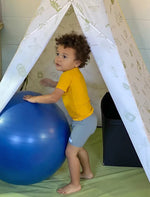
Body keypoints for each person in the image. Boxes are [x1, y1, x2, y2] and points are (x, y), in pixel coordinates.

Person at [23, 32, 97, 195]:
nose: (58, 58)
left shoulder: (68, 74)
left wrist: (35, 99)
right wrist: (52, 83)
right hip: (86, 120)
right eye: (58, 54)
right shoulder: (72, 74)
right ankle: (87, 173)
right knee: (79, 148)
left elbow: (54, 97)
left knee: (70, 152)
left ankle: (75, 184)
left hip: (84, 121)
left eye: (64, 56)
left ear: (77, 62)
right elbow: (65, 87)